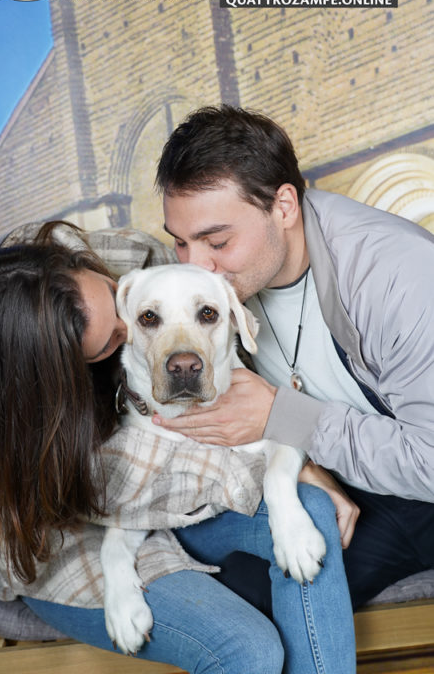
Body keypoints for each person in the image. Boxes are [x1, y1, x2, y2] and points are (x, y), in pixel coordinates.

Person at [0, 220, 355, 674]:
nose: (130, 333)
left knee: (308, 508)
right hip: (74, 543)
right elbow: (140, 493)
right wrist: (285, 450)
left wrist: (293, 458)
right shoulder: (60, 433)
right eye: (118, 338)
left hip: (185, 509)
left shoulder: (142, 271)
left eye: (123, 306)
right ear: (63, 370)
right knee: (249, 650)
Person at [153, 104, 434, 610]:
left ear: (284, 206)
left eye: (216, 240)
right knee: (229, 595)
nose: (197, 268)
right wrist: (302, 465)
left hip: (423, 488)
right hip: (351, 481)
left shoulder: (399, 275)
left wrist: (287, 419)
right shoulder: (217, 290)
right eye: (180, 243)